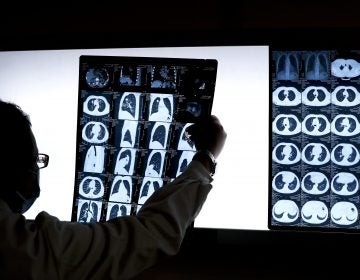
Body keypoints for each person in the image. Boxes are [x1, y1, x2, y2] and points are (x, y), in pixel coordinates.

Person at [0, 99, 227, 280]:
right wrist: (206, 158)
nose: (35, 171)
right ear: (11, 168)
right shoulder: (23, 247)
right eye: (34, 161)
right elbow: (149, 235)